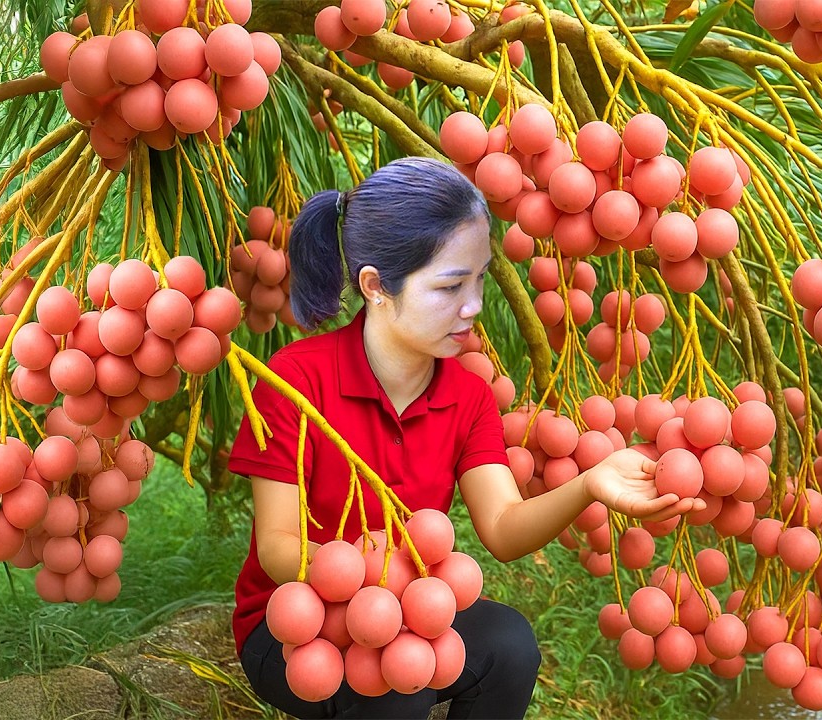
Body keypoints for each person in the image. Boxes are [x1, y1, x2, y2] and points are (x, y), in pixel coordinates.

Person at [227, 157, 705, 719]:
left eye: (478, 279)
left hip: (407, 612)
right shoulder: (295, 379)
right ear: (376, 287)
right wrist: (377, 574)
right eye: (451, 285)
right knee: (398, 692)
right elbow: (277, 548)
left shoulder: (468, 396)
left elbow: (502, 528)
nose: (473, 305)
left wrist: (589, 485)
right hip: (294, 621)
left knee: (509, 646)